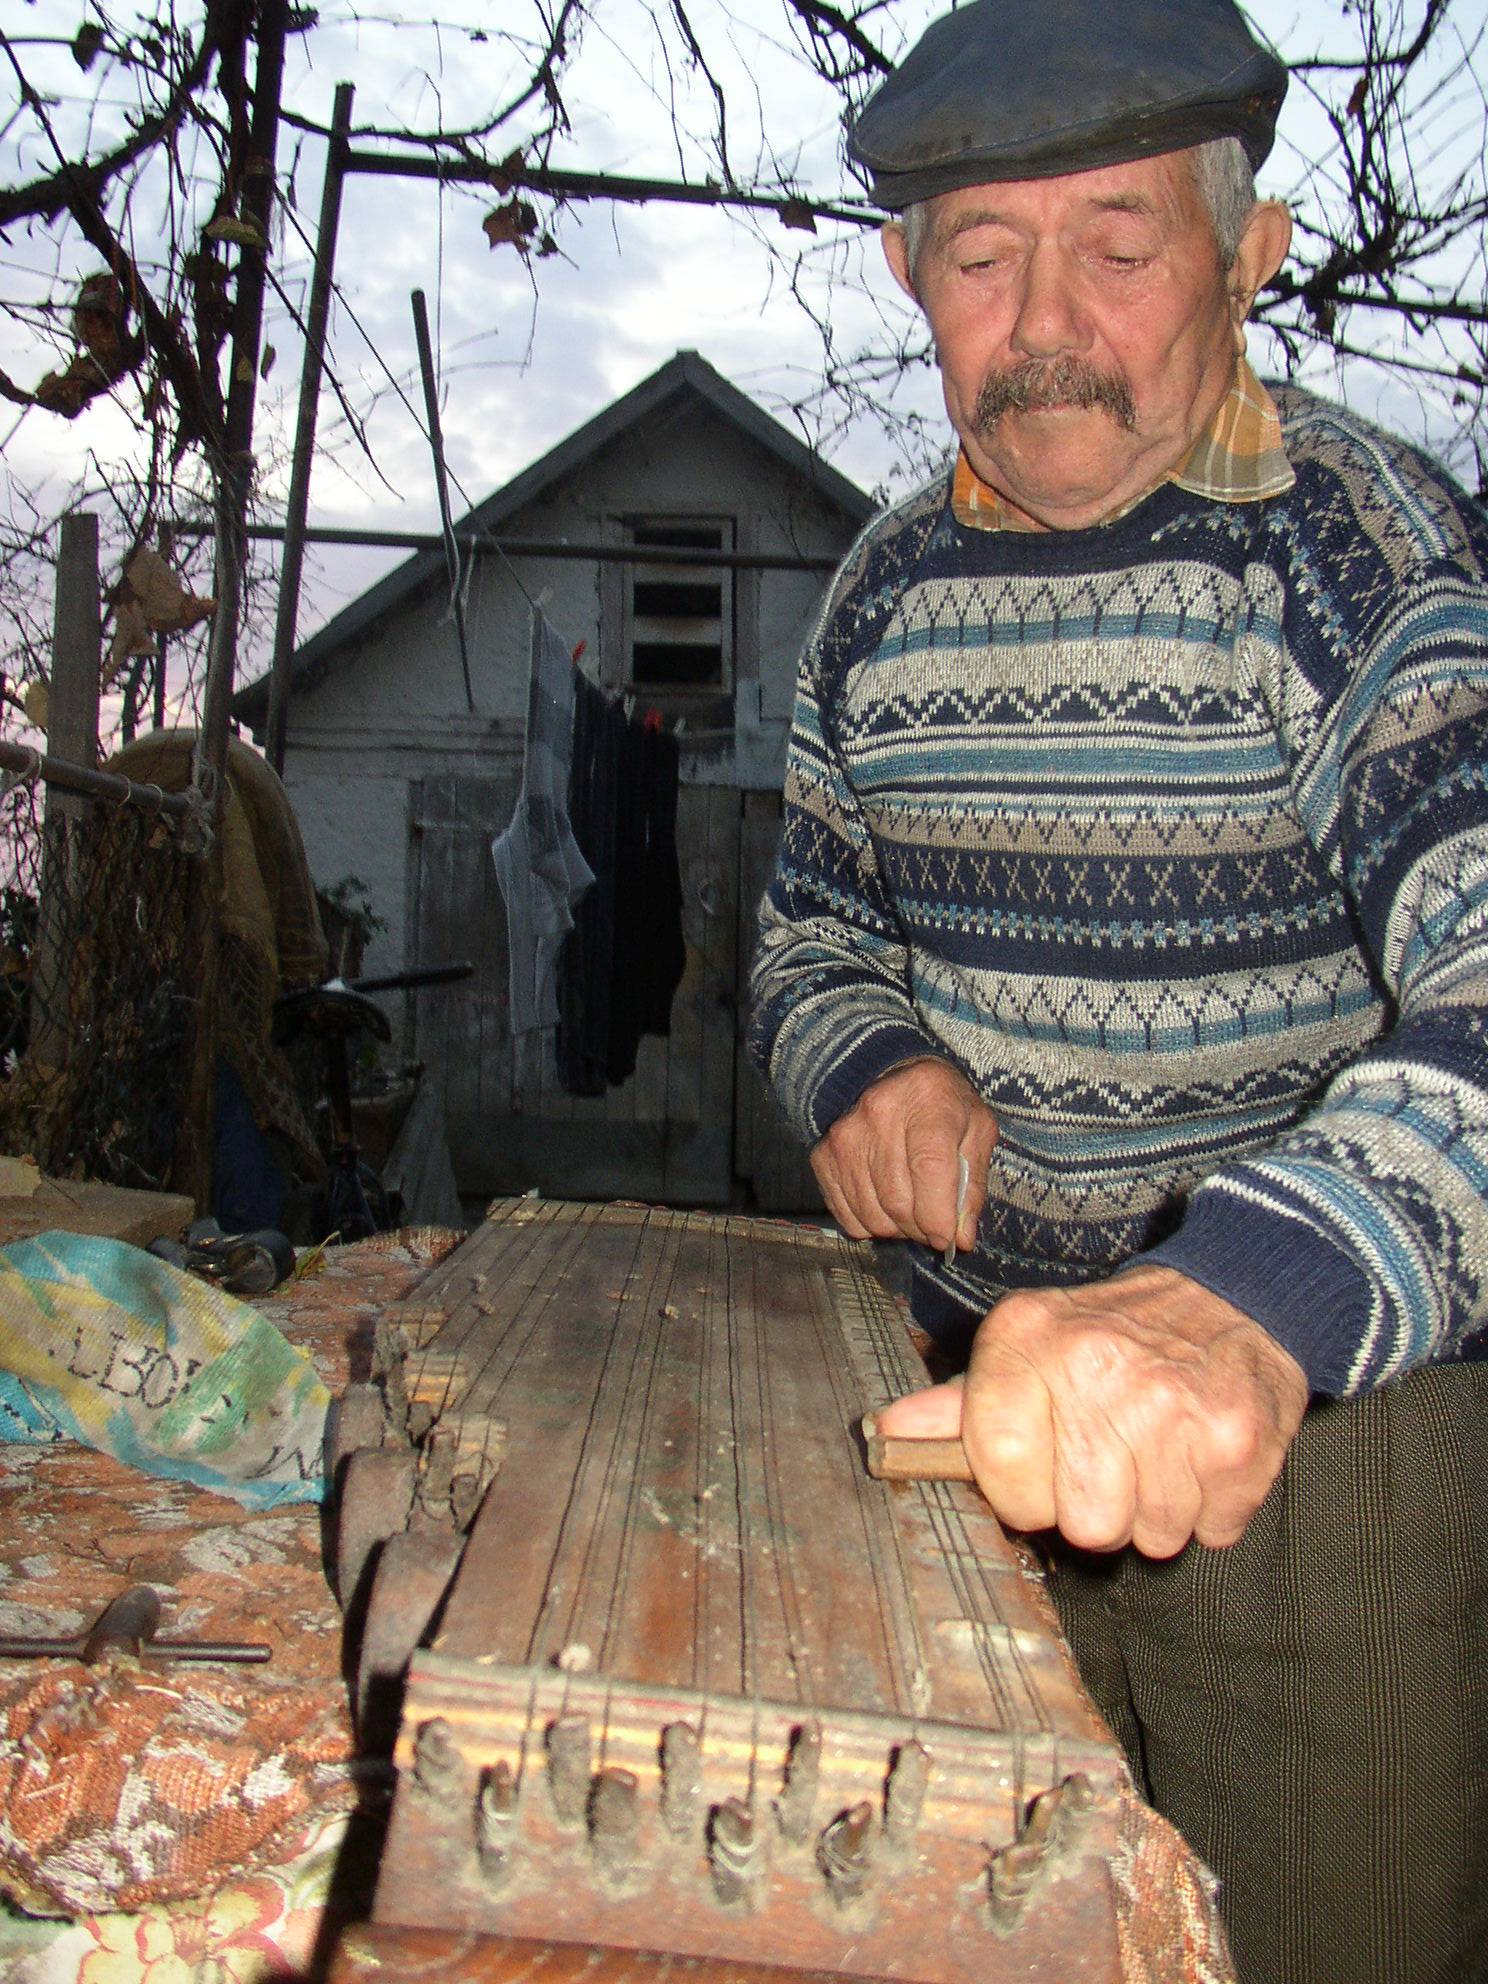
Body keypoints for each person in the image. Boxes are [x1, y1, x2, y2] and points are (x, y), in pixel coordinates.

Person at [746, 4, 1488, 1980]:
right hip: (963, 1423)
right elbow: (810, 927)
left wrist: (1247, 1295)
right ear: (910, 276)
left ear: (1249, 257)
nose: (1049, 322)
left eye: (1121, 245)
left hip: (1326, 1460)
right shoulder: (879, 596)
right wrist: (863, 1056)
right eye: (986, 258)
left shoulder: (1360, 553)